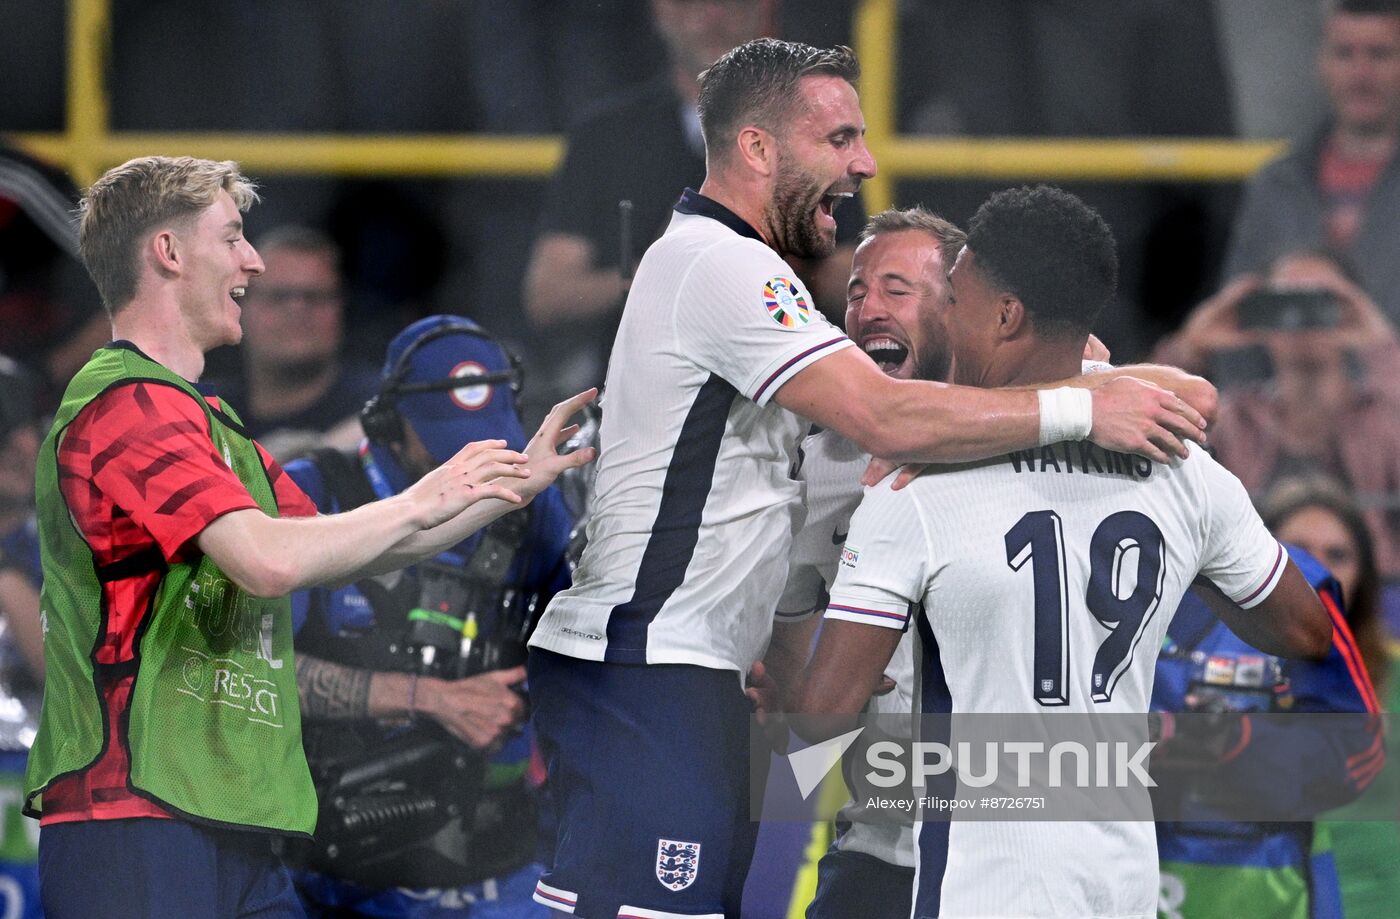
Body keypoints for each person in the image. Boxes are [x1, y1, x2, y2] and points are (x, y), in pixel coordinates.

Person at [524, 40, 1213, 919]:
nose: (865, 162)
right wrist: (1085, 408)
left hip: (702, 689)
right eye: (840, 137)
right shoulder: (731, 273)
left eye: (898, 287)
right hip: (655, 669)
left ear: (973, 306)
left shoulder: (758, 296)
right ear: (759, 150)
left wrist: (1078, 385)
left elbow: (1189, 396)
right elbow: (885, 420)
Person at [20, 155, 596, 919]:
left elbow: (349, 544)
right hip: (136, 814)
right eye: (232, 238)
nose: (250, 261)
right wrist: (428, 492)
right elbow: (267, 561)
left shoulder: (212, 425)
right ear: (167, 252)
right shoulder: (126, 406)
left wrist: (506, 488)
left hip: (236, 811)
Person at [791, 184, 1331, 919]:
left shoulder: (914, 483)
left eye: (953, 299)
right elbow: (1306, 630)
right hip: (1124, 880)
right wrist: (1185, 557)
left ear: (1005, 315)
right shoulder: (1180, 469)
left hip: (980, 884)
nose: (943, 315)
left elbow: (822, 712)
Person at [283, 315, 576, 917]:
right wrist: (427, 698)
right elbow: (248, 674)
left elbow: (585, 637)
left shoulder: (530, 506)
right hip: (331, 865)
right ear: (388, 423)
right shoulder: (311, 493)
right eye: (449, 442)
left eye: (490, 436)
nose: (475, 461)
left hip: (499, 855)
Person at [521, 0, 865, 399]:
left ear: (765, 13)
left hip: (782, 392)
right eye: (693, 3)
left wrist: (783, 267)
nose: (713, 17)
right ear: (660, 12)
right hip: (637, 394)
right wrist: (659, 272)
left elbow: (857, 280)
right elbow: (548, 295)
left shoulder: (810, 130)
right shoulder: (606, 136)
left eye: (731, 4)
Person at [1151, 538, 1381, 919]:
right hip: (1096, 878)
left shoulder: (1294, 585)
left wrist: (1238, 743)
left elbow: (1358, 748)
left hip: (1261, 891)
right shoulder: (1057, 572)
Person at [1157, 250, 1400, 577]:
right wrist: (1190, 347)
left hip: (1373, 596)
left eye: (1319, 302)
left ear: (1351, 312)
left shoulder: (1384, 418)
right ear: (1261, 316)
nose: (1301, 319)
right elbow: (1143, 428)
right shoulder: (1234, 421)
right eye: (1283, 303)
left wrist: (1382, 346)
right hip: (1246, 593)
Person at [1263, 477, 1400, 919]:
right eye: (1296, 549)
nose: (1315, 569)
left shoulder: (1395, 673)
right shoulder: (1196, 674)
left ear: (1364, 576)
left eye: (1337, 555)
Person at [1222, 0, 1400, 325]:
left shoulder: (1279, 182)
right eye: (1345, 53)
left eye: (1380, 54)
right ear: (1322, 63)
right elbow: (1239, 319)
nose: (1361, 73)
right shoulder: (1276, 185)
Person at [211, 225, 382, 462]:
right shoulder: (201, 411)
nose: (297, 310)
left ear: (341, 307)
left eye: (315, 296)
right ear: (239, 306)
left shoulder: (384, 405)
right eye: (279, 296)